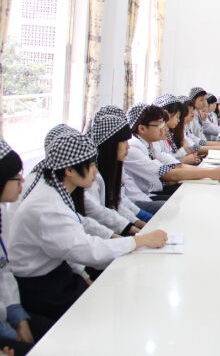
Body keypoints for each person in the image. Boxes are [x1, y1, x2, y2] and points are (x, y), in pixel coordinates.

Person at [9, 132, 168, 321]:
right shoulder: (48, 207)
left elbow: (80, 223)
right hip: (42, 288)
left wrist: (127, 239)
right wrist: (137, 241)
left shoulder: (54, 189)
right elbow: (88, 250)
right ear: (69, 170)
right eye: (91, 165)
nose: (95, 172)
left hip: (58, 272)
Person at [123, 103, 220, 201]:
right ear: (142, 129)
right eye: (159, 124)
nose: (163, 129)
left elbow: (175, 165)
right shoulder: (133, 147)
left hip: (154, 189)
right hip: (140, 198)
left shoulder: (152, 144)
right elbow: (166, 173)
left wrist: (209, 172)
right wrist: (209, 173)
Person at [0, 139, 35, 355]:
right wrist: (9, 333)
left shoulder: (1, 212)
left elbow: (4, 269)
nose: (22, 180)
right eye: (15, 176)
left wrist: (19, 319)